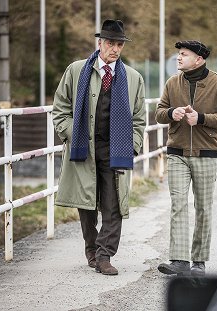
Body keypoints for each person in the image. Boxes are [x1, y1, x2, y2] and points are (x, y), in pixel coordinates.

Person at [52, 19, 146, 276]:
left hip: (117, 148)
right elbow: (60, 109)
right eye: (110, 43)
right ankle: (92, 250)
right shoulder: (76, 70)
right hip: (84, 147)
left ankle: (105, 256)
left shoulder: (134, 78)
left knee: (114, 204)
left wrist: (133, 146)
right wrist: (74, 134)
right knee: (87, 204)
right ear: (100, 43)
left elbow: (139, 119)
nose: (115, 49)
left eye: (119, 44)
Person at [155, 40, 217, 276]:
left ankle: (199, 261)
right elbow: (159, 113)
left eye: (183, 54)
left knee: (203, 208)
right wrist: (172, 113)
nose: (178, 58)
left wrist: (200, 119)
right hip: (177, 152)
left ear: (199, 59)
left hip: (206, 153)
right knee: (178, 205)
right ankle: (179, 260)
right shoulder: (172, 83)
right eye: (178, 54)